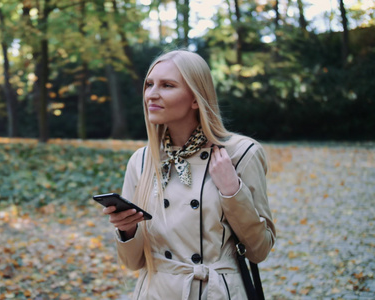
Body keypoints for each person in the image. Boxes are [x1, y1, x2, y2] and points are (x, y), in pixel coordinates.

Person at [102, 50, 276, 299]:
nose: (152, 94)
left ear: (196, 98)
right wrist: (127, 231)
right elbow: (132, 263)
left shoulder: (241, 153)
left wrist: (232, 191)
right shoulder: (141, 161)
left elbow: (259, 250)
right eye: (149, 84)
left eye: (167, 85)